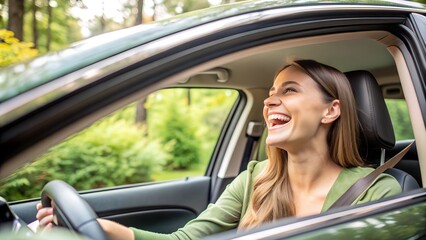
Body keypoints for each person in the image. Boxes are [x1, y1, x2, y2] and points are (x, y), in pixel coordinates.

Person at [35, 59, 401, 239]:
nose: (271, 101)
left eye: (288, 90)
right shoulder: (256, 178)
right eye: (271, 94)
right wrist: (96, 227)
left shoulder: (378, 193)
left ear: (330, 110)